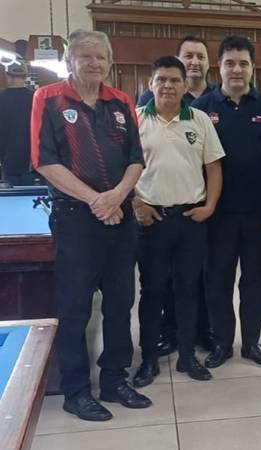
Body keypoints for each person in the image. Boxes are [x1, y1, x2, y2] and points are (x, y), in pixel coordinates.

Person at [31, 29, 151, 421]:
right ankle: (76, 391)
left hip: (120, 216)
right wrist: (97, 201)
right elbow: (44, 161)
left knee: (120, 304)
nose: (94, 63)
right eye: (86, 56)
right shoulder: (47, 98)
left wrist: (116, 196)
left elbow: (136, 159)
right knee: (76, 308)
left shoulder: (121, 101)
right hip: (75, 219)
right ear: (70, 61)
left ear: (110, 62)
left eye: (100, 57)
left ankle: (114, 379)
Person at [192, 36, 261, 369]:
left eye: (243, 63)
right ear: (218, 67)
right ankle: (222, 343)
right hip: (216, 214)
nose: (237, 69)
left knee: (257, 282)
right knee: (217, 281)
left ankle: (250, 342)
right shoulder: (201, 109)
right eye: (230, 63)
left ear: (252, 68)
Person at [131, 56, 225, 386]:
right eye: (161, 80)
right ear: (150, 84)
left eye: (174, 80)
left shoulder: (199, 120)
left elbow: (214, 167)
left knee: (188, 289)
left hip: (190, 219)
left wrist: (210, 206)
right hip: (151, 221)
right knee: (152, 291)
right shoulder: (136, 119)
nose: (168, 86)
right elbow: (121, 168)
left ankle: (187, 356)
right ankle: (148, 360)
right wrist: (135, 202)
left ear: (186, 85)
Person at [137, 35, 216, 107]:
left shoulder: (218, 95)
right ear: (177, 60)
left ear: (208, 63)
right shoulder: (152, 95)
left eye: (201, 57)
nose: (195, 62)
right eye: (189, 56)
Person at [0, 61, 34, 185]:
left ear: (8, 76)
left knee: (12, 194)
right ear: (25, 77)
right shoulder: (36, 98)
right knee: (32, 194)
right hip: (32, 161)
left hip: (7, 159)